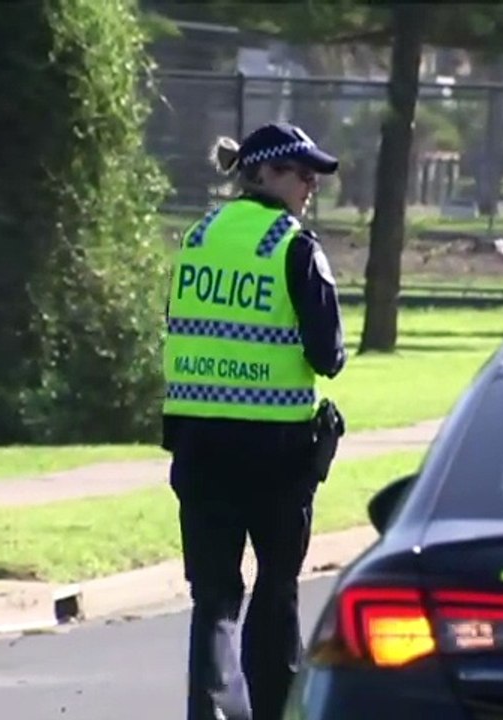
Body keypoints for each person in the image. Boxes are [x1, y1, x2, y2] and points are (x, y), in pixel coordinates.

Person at [161, 121, 347, 720]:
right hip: (275, 449)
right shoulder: (294, 247)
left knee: (212, 596)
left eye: (314, 175)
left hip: (197, 443)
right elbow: (329, 357)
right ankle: (272, 712)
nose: (310, 185)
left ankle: (211, 711)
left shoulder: (197, 237)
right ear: (263, 174)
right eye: (301, 173)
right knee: (275, 587)